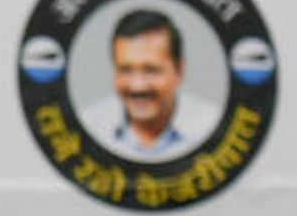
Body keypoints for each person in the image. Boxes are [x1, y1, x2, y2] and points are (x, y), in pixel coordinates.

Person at [80, 8, 219, 162]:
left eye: (151, 70)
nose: (138, 86)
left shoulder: (215, 130)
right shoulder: (86, 128)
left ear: (179, 71)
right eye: (125, 70)